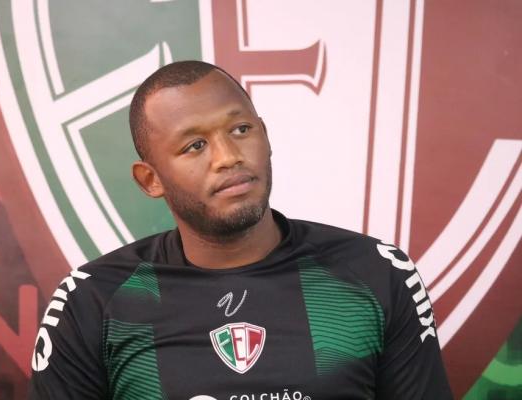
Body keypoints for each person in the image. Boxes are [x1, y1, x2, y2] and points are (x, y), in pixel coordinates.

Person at [28, 61, 453, 399]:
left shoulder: (375, 273)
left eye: (240, 130)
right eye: (195, 146)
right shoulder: (94, 299)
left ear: (265, 137)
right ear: (150, 179)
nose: (228, 156)